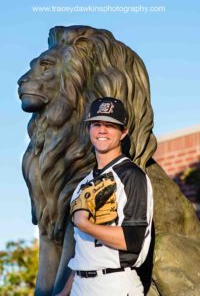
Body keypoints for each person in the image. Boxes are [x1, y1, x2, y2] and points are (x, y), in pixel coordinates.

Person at [56, 97, 153, 296]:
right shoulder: (83, 185)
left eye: (110, 125)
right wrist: (64, 293)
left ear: (123, 132)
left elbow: (133, 240)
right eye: (97, 124)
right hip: (80, 287)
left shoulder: (131, 176)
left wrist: (85, 225)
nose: (102, 130)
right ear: (88, 129)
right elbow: (84, 252)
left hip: (114, 283)